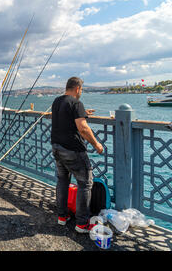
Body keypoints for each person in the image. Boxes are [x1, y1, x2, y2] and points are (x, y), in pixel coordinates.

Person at [51, 77, 104, 234]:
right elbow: (83, 128)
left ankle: (62, 216)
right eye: (82, 90)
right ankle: (82, 224)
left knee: (62, 181)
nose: (81, 92)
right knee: (85, 183)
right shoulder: (76, 103)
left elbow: (65, 117)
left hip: (56, 147)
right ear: (78, 89)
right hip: (72, 150)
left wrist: (82, 113)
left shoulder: (57, 101)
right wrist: (97, 144)